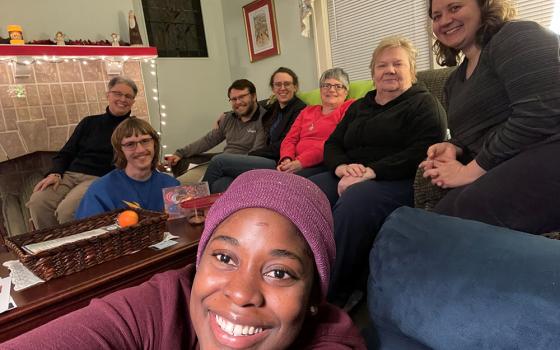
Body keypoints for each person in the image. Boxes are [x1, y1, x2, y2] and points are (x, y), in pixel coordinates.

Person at [1, 170, 367, 349]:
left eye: (279, 272)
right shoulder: (160, 305)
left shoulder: (331, 340)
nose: (241, 294)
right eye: (224, 256)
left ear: (314, 299)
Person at [309, 36, 447, 308]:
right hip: (349, 171)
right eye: (382, 65)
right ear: (373, 73)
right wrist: (341, 167)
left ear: (412, 70)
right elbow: (333, 143)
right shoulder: (360, 106)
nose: (390, 70)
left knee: (356, 202)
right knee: (305, 191)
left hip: (396, 178)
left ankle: (327, 298)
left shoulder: (424, 104)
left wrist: (371, 172)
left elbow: (424, 149)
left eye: (398, 64)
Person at [420, 0, 560, 234]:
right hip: (500, 167)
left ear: (484, 6)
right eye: (436, 16)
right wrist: (454, 147)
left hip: (548, 151)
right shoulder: (453, 82)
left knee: (454, 221)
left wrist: (468, 171)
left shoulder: (516, 36)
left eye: (454, 8)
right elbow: (474, 132)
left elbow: (542, 111)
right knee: (436, 221)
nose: (444, 20)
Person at [204, 68, 354, 193]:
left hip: (313, 164)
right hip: (286, 162)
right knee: (221, 184)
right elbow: (290, 139)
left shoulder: (349, 109)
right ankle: (213, 216)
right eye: (326, 85)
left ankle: (196, 204)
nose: (331, 90)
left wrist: (300, 162)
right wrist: (287, 158)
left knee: (218, 161)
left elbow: (332, 142)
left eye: (338, 86)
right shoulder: (308, 111)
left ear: (346, 92)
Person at [27, 76, 137, 229]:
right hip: (69, 175)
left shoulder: (133, 128)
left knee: (67, 211)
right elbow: (66, 152)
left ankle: (73, 249)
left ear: (133, 101)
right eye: (118, 93)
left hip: (100, 177)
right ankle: (51, 245)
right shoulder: (89, 122)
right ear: (108, 95)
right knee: (38, 202)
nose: (123, 99)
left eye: (128, 96)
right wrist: (55, 173)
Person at [202, 67, 306, 193]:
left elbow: (284, 144)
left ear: (295, 87)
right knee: (221, 183)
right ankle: (220, 211)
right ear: (273, 89)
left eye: (287, 84)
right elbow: (253, 104)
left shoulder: (300, 110)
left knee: (218, 161)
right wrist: (228, 113)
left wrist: (251, 155)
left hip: (277, 161)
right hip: (264, 158)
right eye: (278, 84)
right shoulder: (275, 107)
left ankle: (196, 199)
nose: (282, 88)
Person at [166, 79, 267, 184]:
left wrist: (229, 165)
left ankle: (199, 191)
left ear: (254, 96)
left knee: (207, 184)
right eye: (233, 99)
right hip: (220, 164)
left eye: (241, 97)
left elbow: (255, 155)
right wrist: (180, 153)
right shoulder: (229, 118)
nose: (237, 102)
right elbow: (209, 140)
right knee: (179, 184)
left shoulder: (265, 119)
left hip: (239, 166)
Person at [75, 117, 179, 219]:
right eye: (130, 144)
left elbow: (180, 228)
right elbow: (88, 232)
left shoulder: (171, 186)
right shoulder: (100, 191)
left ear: (154, 144)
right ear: (120, 150)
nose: (140, 150)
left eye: (145, 141)